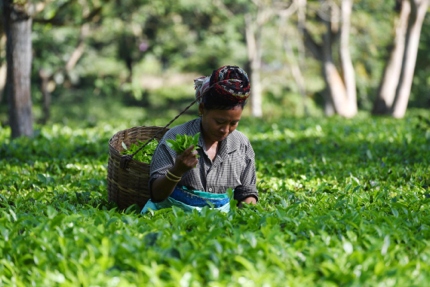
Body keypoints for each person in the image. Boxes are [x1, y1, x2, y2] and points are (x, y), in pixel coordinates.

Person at [141, 65, 258, 214]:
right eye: (219, 122)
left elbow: (247, 193)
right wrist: (177, 171)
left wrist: (244, 216)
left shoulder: (241, 144)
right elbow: (157, 195)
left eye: (233, 123)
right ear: (202, 109)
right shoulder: (176, 138)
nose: (225, 130)